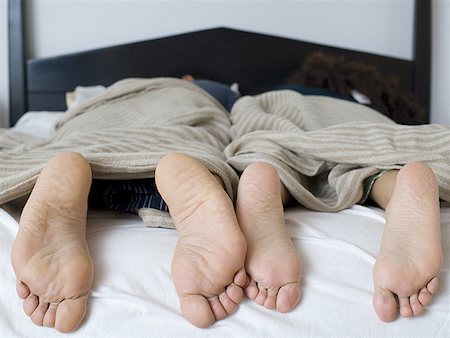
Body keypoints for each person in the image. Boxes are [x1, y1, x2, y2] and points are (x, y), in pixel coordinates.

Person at [4, 77, 445, 333]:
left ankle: (76, 167)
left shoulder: (157, 86)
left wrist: (181, 86)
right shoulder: (305, 89)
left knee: (139, 129)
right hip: (301, 94)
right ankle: (385, 178)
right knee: (296, 131)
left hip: (149, 96)